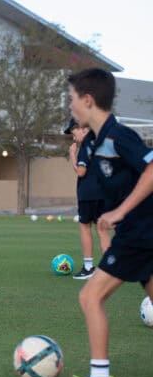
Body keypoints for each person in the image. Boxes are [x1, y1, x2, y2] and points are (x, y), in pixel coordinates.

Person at [56, 68, 153, 377]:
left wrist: (122, 212)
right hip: (138, 232)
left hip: (141, 232)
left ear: (87, 100)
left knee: (89, 298)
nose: (70, 106)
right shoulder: (96, 142)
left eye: (71, 99)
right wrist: (106, 223)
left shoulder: (118, 135)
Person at [65, 118, 111, 279]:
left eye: (74, 132)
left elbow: (81, 172)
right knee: (102, 228)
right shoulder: (100, 144)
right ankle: (108, 268)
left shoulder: (86, 145)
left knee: (85, 227)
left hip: (88, 193)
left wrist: (73, 155)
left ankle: (88, 267)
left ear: (83, 129)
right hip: (104, 192)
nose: (73, 137)